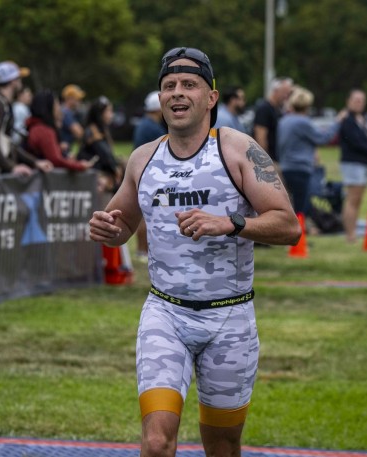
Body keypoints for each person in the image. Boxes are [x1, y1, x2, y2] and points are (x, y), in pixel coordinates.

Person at [88, 46, 300, 457]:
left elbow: (289, 226)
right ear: (160, 97)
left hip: (230, 318)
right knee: (155, 441)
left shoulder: (238, 150)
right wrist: (108, 230)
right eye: (169, 86)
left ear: (212, 97)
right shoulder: (142, 159)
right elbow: (123, 225)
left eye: (189, 84)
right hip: (166, 314)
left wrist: (232, 223)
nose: (178, 93)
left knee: (221, 446)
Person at [277, 86, 341, 219]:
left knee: (291, 203)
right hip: (300, 168)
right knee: (302, 206)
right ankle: (299, 237)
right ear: (307, 105)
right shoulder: (303, 122)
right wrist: (337, 123)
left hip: (285, 167)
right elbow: (323, 138)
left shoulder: (284, 121)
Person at [338, 89, 367, 243]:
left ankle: (353, 231)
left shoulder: (361, 119)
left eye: (361, 100)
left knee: (357, 200)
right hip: (352, 163)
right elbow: (355, 142)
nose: (359, 103)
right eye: (356, 100)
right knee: (352, 199)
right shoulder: (347, 120)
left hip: (361, 164)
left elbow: (365, 140)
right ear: (348, 101)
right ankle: (350, 235)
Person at [132, 90, 168, 260]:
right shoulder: (153, 128)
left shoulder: (144, 124)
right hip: (155, 177)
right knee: (152, 215)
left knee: (147, 214)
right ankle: (144, 251)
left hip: (147, 175)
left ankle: (142, 250)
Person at [25, 90, 92, 171]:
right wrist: (79, 165)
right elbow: (55, 160)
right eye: (56, 104)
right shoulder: (44, 131)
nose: (59, 108)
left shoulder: (35, 126)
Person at [77, 96, 125, 193]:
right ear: (100, 113)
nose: (111, 114)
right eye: (109, 111)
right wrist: (115, 168)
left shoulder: (101, 129)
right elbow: (104, 154)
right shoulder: (93, 131)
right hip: (95, 175)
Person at [252, 76, 293, 162]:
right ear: (275, 90)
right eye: (284, 92)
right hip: (269, 160)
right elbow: (260, 137)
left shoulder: (278, 109)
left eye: (288, 94)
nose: (286, 96)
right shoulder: (264, 108)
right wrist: (266, 161)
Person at [60, 84, 86, 155]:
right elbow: (79, 133)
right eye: (77, 98)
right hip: (63, 151)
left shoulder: (65, 111)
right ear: (70, 98)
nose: (80, 101)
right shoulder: (66, 113)